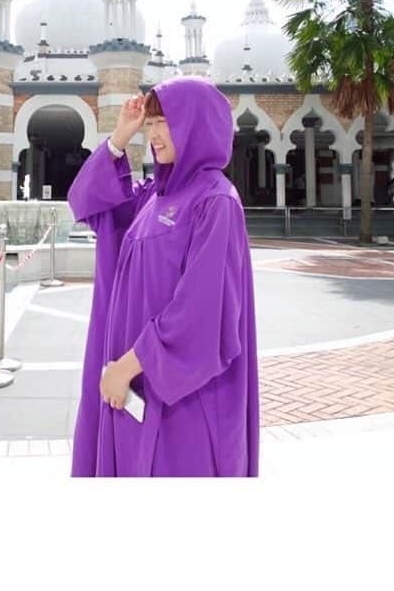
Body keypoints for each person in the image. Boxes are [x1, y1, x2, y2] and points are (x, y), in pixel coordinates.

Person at [67, 75, 259, 477]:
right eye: (150, 123)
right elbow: (87, 202)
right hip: (134, 390)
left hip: (183, 400)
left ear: (196, 124)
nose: (153, 134)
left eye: (163, 122)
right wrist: (119, 139)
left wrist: (124, 370)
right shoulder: (154, 196)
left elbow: (200, 313)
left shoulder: (215, 201)